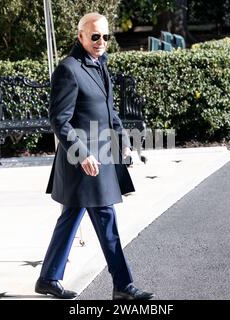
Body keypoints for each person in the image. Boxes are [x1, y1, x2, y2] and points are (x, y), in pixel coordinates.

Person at [35, 13, 154, 300]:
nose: (101, 42)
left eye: (105, 36)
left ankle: (49, 278)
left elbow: (109, 111)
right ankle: (123, 286)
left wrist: (122, 141)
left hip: (102, 154)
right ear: (80, 37)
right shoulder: (68, 69)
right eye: (95, 36)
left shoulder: (100, 64)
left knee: (72, 217)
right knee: (105, 218)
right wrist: (82, 154)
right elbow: (59, 120)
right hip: (83, 161)